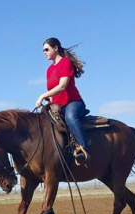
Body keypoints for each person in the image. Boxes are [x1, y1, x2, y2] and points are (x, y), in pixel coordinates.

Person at [35, 37, 90, 165]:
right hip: (57, 105)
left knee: (70, 117)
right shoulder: (49, 70)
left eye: (46, 49)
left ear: (55, 48)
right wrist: (48, 100)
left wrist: (42, 96)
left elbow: (62, 86)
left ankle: (83, 149)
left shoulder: (65, 63)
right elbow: (53, 91)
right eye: (43, 51)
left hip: (73, 102)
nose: (44, 52)